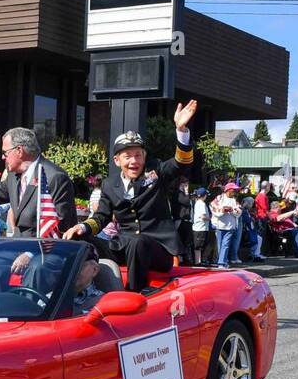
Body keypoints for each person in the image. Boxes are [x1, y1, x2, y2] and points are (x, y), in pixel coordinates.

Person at [62, 102, 198, 291]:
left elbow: (181, 163)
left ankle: (133, 293)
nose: (134, 161)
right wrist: (82, 227)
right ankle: (76, 290)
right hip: (124, 246)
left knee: (138, 242)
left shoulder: (157, 172)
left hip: (158, 250)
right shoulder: (110, 184)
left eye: (138, 155)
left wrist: (181, 130)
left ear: (144, 157)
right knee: (79, 240)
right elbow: (101, 217)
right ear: (117, 161)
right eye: (128, 156)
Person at [210, 182, 240, 269]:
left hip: (230, 226)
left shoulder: (234, 200)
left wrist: (232, 210)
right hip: (220, 226)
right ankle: (223, 261)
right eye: (233, 190)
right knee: (220, 245)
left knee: (225, 244)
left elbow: (239, 211)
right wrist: (222, 210)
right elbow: (212, 206)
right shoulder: (219, 198)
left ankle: (221, 262)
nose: (234, 191)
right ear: (228, 190)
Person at [191, 188, 211, 266]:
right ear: (204, 196)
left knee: (198, 245)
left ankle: (198, 261)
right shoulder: (202, 204)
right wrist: (211, 218)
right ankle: (198, 262)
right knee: (199, 246)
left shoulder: (197, 203)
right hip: (201, 227)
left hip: (197, 227)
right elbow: (203, 217)